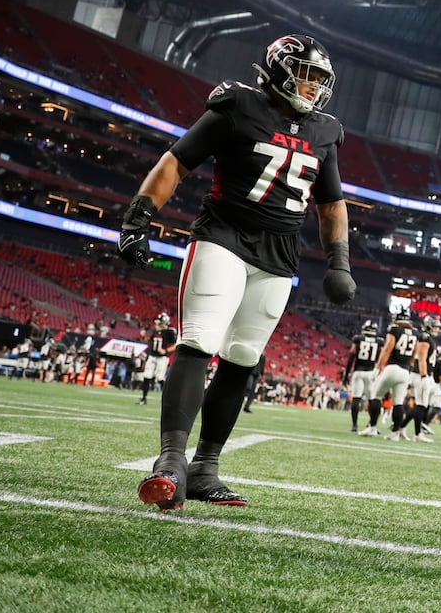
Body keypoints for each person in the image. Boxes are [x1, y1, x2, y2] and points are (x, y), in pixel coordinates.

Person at [118, 34, 353, 510]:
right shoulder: (238, 104)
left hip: (279, 256)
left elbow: (330, 204)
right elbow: (176, 161)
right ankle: (170, 461)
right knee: (200, 340)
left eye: (318, 79)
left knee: (242, 358)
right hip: (223, 237)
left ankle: (205, 469)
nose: (311, 87)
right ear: (278, 69)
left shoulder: (325, 130)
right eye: (304, 74)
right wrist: (138, 217)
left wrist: (339, 261)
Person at [366, 306, 424, 440]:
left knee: (376, 396)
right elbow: (414, 353)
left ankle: (373, 427)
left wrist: (378, 367)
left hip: (392, 368)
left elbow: (387, 349)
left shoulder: (394, 329)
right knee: (397, 402)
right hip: (405, 371)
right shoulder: (416, 333)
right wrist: (407, 366)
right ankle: (395, 433)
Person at [344, 319, 383, 433]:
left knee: (356, 398)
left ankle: (355, 425)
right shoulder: (378, 341)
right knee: (372, 400)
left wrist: (346, 375)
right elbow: (379, 358)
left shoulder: (358, 339)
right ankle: (372, 424)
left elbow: (351, 357)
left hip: (358, 371)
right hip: (371, 372)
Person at [138, 312, 177, 405]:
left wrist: (166, 351)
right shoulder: (156, 331)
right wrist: (142, 337)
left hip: (162, 358)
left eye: (159, 322)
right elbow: (149, 341)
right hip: (152, 356)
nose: (157, 324)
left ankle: (171, 399)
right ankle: (144, 398)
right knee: (147, 377)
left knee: (160, 378)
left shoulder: (170, 332)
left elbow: (176, 345)